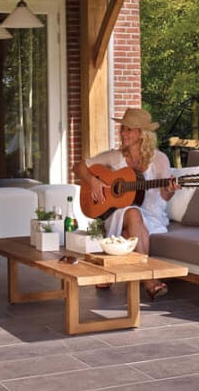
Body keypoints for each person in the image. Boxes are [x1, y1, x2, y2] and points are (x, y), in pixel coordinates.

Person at [73, 108, 180, 299]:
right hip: (117, 214)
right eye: (123, 128)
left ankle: (108, 272)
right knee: (132, 212)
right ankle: (149, 279)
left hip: (152, 216)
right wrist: (93, 181)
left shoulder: (160, 159)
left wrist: (170, 190)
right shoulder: (115, 157)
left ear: (142, 134)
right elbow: (78, 166)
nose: (123, 133)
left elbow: (164, 196)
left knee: (128, 231)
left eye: (129, 130)